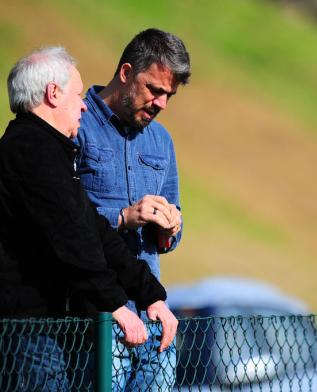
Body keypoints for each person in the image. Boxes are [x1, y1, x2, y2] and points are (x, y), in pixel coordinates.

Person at [0, 46, 178, 391]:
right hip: (28, 335)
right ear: (53, 94)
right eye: (78, 94)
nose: (83, 105)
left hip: (49, 333)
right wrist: (116, 305)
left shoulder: (49, 152)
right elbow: (70, 240)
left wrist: (150, 294)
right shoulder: (28, 151)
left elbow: (92, 228)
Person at [75, 28, 190, 390]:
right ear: (126, 73)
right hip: (98, 321)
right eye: (154, 90)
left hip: (153, 321)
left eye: (169, 95)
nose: (161, 104)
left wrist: (171, 228)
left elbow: (172, 232)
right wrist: (124, 218)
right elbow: (59, 220)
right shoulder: (75, 125)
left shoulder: (162, 140)